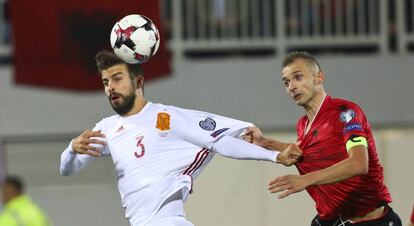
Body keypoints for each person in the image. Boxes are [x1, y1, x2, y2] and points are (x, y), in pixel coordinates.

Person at [60, 50, 302, 226]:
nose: (110, 87)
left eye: (117, 79)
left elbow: (219, 141)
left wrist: (274, 155)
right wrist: (72, 148)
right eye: (105, 82)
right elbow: (67, 170)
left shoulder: (165, 119)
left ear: (139, 81)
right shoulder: (108, 129)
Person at [243, 51, 402, 226]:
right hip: (333, 220)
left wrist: (306, 179)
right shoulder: (303, 124)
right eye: (286, 82)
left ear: (319, 77)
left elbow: (358, 163)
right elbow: (301, 154)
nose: (291, 86)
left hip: (371, 221)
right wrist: (265, 142)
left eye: (298, 77)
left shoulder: (345, 113)